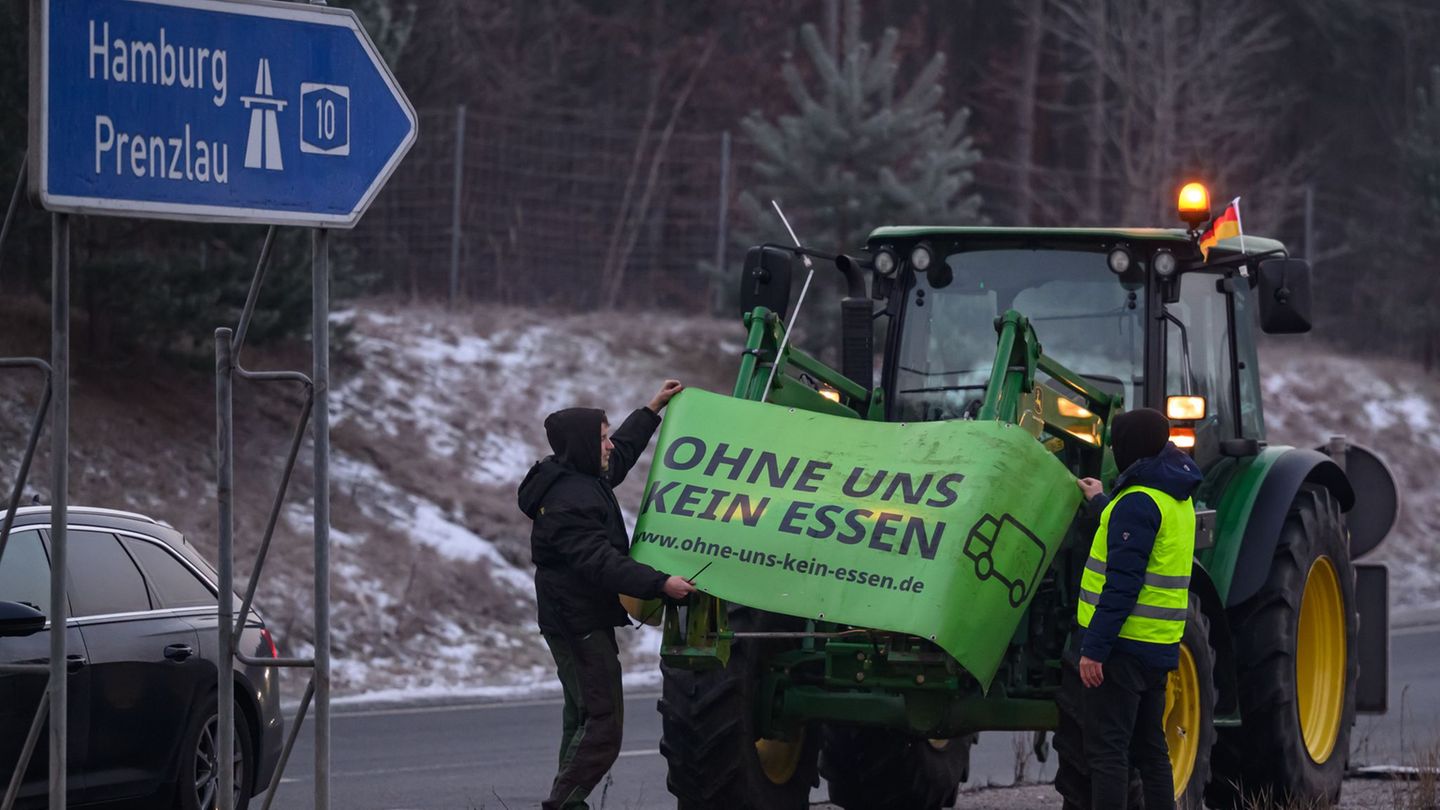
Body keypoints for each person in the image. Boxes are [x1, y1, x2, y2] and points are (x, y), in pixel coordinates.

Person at [517, 379, 697, 810]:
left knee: (581, 716)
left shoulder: (579, 475)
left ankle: (568, 801)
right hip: (576, 623)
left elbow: (622, 452)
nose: (609, 446)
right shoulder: (568, 500)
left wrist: (652, 409)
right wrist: (660, 584)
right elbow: (600, 562)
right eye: (601, 438)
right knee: (603, 724)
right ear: (582, 445)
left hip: (574, 617)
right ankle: (563, 803)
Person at [1074, 407, 1202, 810]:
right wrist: (1101, 502)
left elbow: (1122, 585)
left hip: (1122, 649)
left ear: (1127, 449)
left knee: (1109, 753)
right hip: (1157, 645)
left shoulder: (1138, 502)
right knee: (1151, 751)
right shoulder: (1174, 496)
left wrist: (1094, 648)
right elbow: (1133, 537)